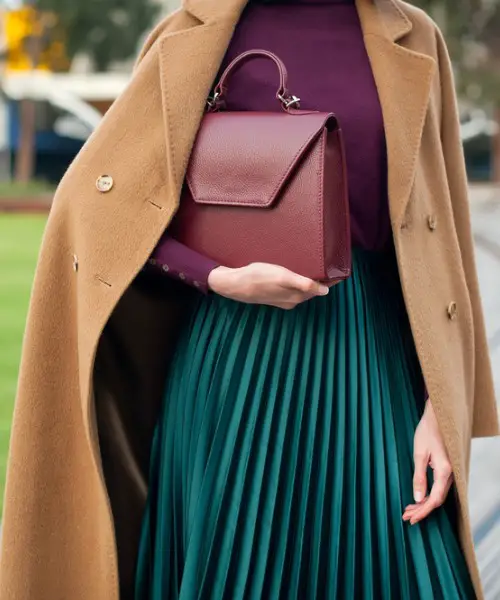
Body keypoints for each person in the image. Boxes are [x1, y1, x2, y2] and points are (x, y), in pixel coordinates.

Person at [0, 0, 498, 599]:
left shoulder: (414, 35)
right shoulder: (196, 30)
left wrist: (440, 405)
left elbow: (441, 235)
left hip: (371, 361)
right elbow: (104, 209)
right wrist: (218, 278)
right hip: (234, 364)